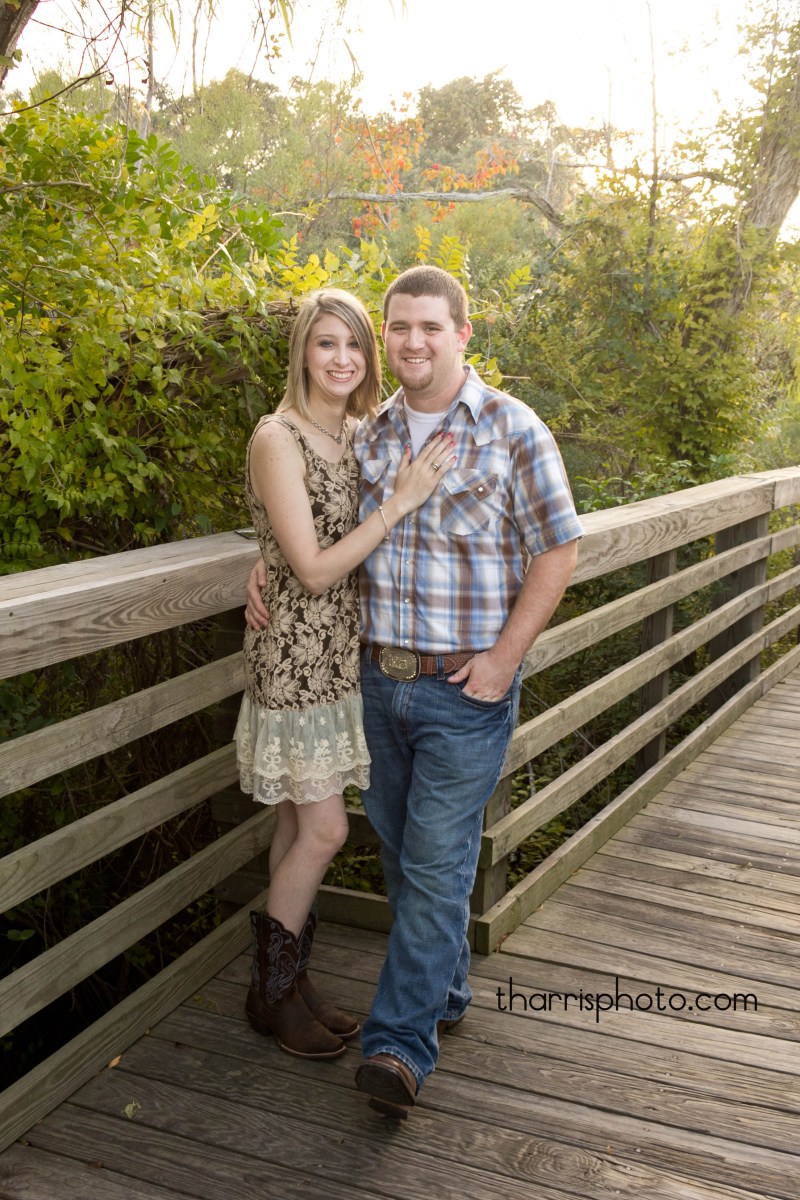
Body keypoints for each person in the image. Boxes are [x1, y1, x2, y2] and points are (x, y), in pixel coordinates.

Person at [246, 266, 583, 1112]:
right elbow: (312, 518)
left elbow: (559, 550)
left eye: (430, 327)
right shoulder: (373, 431)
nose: (411, 342)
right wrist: (265, 559)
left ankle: (398, 1048)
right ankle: (446, 991)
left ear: (464, 332)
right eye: (397, 327)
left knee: (433, 868)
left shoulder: (513, 429)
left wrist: (506, 658)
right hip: (370, 679)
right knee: (404, 856)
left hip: (466, 689)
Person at [235, 287, 454, 1063]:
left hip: (341, 660)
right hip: (293, 660)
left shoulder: (358, 431)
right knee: (326, 829)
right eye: (326, 343)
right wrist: (398, 505)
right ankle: (270, 992)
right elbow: (317, 569)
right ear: (302, 351)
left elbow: (291, 540)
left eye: (354, 345)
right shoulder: (278, 437)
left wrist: (253, 563)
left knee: (297, 827)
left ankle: (288, 986)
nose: (343, 358)